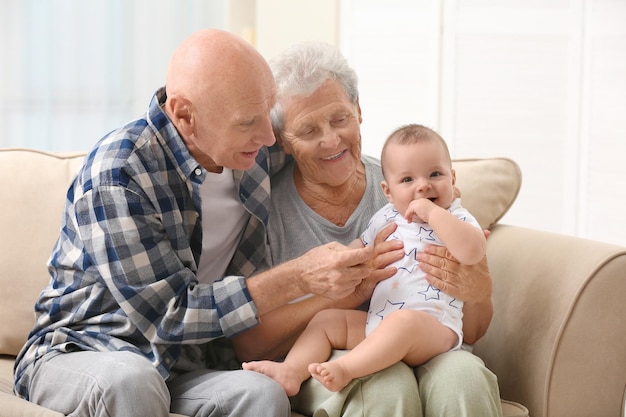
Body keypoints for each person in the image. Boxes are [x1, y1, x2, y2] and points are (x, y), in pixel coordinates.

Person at [13, 29, 376, 417]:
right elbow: (170, 316)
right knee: (132, 381)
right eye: (248, 122)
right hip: (88, 350)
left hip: (187, 366)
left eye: (268, 113)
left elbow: (324, 145)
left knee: (262, 393)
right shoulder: (120, 173)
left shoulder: (254, 150)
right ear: (185, 116)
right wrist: (301, 277)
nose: (269, 135)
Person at [231, 42, 503, 417]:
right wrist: (341, 293)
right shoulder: (263, 214)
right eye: (308, 129)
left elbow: (471, 330)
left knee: (464, 377)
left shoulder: (413, 185)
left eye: (340, 119)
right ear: (284, 141)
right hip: (335, 353)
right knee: (384, 387)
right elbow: (248, 344)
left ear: (359, 111)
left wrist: (478, 291)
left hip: (433, 337)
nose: (330, 139)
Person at [244, 123, 486, 395]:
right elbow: (355, 252)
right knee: (326, 320)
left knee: (404, 323)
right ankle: (291, 371)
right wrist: (346, 260)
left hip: (433, 328)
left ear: (452, 179)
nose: (423, 186)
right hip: (379, 323)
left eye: (435, 174)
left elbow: (473, 251)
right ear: (388, 192)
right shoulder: (385, 217)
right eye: (408, 180)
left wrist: (432, 213)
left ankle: (346, 369)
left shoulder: (456, 216)